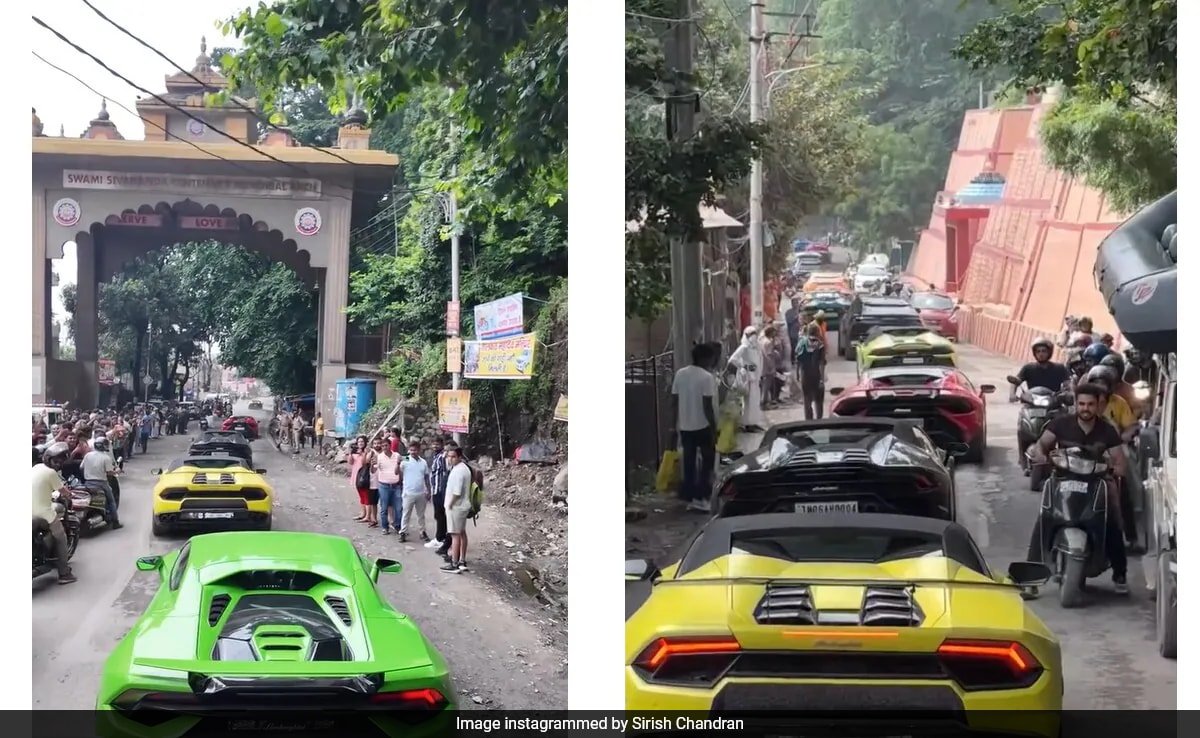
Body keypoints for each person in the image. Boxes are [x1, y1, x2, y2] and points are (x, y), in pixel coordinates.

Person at [1025, 383, 1129, 596]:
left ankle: (1120, 573)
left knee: (1112, 520)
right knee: (1045, 517)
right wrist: (1040, 454)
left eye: (1090, 404)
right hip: (1063, 478)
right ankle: (1030, 577)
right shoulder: (1060, 424)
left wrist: (1115, 467)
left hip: (1097, 481)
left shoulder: (1107, 430)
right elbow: (1041, 444)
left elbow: (1120, 461)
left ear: (1098, 405)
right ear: (1075, 403)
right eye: (1081, 403)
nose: (1085, 408)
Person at [671, 343, 719, 513]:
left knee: (689, 463)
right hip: (703, 426)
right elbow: (707, 406)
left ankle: (690, 496)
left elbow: (674, 401)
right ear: (706, 358)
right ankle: (703, 497)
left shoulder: (680, 374)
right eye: (712, 357)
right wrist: (714, 428)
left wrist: (674, 425)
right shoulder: (706, 377)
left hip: (685, 426)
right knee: (707, 463)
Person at [33, 442, 77, 584]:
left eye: (60, 461)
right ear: (49, 459)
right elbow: (64, 492)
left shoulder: (36, 467)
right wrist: (70, 495)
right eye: (56, 460)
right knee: (61, 538)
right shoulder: (51, 473)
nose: (58, 463)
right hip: (43, 513)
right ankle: (64, 574)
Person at [727, 326, 766, 432]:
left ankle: (753, 422)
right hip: (748, 379)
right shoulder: (744, 347)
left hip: (756, 379)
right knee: (749, 402)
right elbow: (733, 360)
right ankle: (748, 424)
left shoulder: (757, 347)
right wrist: (745, 367)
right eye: (751, 334)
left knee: (754, 402)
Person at [441, 445, 473, 573]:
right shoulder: (463, 468)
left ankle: (454, 563)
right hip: (463, 506)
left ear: (459, 457)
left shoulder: (459, 471)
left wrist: (449, 504)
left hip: (456, 506)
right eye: (449, 456)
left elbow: (457, 492)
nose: (450, 459)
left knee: (455, 535)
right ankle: (462, 560)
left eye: (453, 457)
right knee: (461, 533)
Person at [1010, 337, 1071, 402]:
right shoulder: (1028, 368)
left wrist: (1069, 393)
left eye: (1044, 351)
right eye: (1038, 351)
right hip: (1032, 402)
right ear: (1034, 353)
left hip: (1053, 404)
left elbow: (1068, 384)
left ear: (1049, 352)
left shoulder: (1059, 368)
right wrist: (1012, 394)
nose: (1041, 354)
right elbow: (1016, 381)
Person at [81, 437, 121, 530]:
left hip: (88, 483)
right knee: (111, 501)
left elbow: (81, 467)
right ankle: (115, 522)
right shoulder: (106, 457)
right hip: (101, 483)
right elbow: (109, 472)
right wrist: (116, 472)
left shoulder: (87, 455)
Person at [398, 440, 431, 543]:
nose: (413, 452)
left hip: (420, 492)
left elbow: (426, 477)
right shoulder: (406, 459)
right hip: (408, 492)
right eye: (411, 450)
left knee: (421, 514)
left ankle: (423, 532)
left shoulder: (423, 462)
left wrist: (428, 490)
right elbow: (397, 471)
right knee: (406, 513)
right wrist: (397, 463)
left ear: (419, 450)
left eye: (415, 450)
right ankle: (403, 532)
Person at [794, 322, 827, 420]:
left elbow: (798, 360)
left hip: (805, 374)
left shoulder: (802, 343)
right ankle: (818, 420)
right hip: (816, 374)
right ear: (817, 332)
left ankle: (808, 420)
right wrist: (821, 379)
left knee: (807, 399)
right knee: (819, 400)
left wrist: (798, 375)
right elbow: (821, 363)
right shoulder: (820, 344)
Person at [426, 438, 450, 550]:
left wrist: (443, 490)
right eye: (433, 444)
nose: (435, 446)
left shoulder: (442, 457)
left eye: (437, 444)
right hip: (435, 490)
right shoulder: (436, 456)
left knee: (440, 515)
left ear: (442, 445)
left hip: (440, 491)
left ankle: (440, 538)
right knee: (438, 515)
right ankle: (442, 537)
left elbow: (446, 473)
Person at [374, 438, 402, 534]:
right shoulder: (379, 457)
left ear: (390, 445)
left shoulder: (397, 455)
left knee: (398, 508)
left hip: (396, 485)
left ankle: (397, 525)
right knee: (384, 508)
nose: (384, 447)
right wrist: (371, 465)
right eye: (382, 446)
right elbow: (373, 470)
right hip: (384, 485)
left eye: (386, 445)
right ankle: (385, 527)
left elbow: (405, 460)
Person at [348, 436, 376, 524]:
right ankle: (362, 513)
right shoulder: (355, 451)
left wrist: (363, 454)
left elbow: (366, 462)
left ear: (366, 442)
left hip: (364, 476)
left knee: (366, 495)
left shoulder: (369, 451)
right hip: (356, 474)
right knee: (361, 496)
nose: (360, 443)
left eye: (362, 442)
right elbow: (350, 462)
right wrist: (350, 453)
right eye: (359, 441)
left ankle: (368, 516)